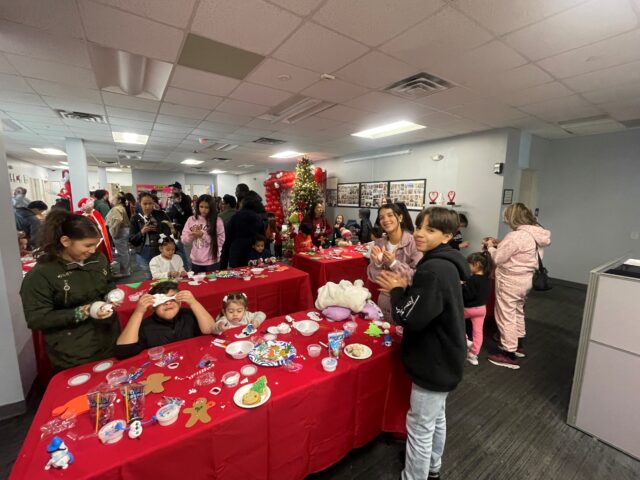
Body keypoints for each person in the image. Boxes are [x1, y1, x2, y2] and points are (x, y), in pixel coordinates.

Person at [375, 207, 469, 480]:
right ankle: (432, 467)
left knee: (419, 426)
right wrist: (403, 288)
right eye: (418, 227)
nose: (419, 233)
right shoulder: (447, 263)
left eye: (430, 229)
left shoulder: (434, 270)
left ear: (448, 235)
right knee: (435, 417)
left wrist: (396, 290)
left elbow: (408, 316)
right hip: (447, 353)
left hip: (434, 359)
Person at [19, 210, 120, 370]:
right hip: (74, 350)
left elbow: (107, 282)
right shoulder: (41, 275)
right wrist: (84, 312)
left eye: (96, 244)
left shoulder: (97, 260)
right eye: (87, 245)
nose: (93, 250)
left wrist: (112, 293)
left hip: (109, 337)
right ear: (66, 241)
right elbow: (37, 318)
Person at [483, 203, 551, 369]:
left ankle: (507, 353)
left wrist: (491, 247)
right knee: (518, 311)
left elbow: (498, 258)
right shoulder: (536, 233)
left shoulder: (516, 236)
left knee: (505, 315)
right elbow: (522, 252)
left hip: (510, 280)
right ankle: (518, 343)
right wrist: (501, 243)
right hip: (526, 279)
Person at [114, 281, 215, 359]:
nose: (168, 303)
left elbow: (210, 329)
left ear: (180, 301)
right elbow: (123, 352)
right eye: (162, 301)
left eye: (172, 298)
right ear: (152, 307)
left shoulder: (189, 315)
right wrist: (138, 312)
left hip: (194, 359)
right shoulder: (146, 326)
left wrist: (193, 302)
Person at [367, 203, 422, 321]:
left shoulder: (414, 243)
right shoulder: (379, 243)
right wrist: (377, 264)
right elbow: (372, 276)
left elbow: (416, 277)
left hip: (406, 301)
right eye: (381, 217)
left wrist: (393, 263)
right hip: (383, 301)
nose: (386, 220)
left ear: (400, 218)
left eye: (390, 215)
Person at [129, 192, 172, 279]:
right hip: (143, 253)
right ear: (139, 203)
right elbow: (132, 240)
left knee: (164, 275)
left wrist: (158, 227)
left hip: (161, 250)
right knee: (148, 276)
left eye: (150, 203)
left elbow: (170, 231)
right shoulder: (135, 218)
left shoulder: (161, 215)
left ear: (154, 203)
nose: (148, 206)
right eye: (145, 204)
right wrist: (142, 232)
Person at [462, 251, 492, 366]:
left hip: (468, 309)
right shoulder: (487, 279)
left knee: (456, 323)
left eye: (469, 264)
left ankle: (466, 342)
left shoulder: (472, 279)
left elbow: (468, 295)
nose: (467, 267)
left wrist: (462, 286)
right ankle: (473, 355)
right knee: (478, 332)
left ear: (477, 264)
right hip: (481, 309)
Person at [220, 191, 264, 268]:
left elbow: (227, 239)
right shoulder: (259, 218)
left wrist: (223, 264)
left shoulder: (235, 217)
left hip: (237, 251)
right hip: (253, 251)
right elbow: (262, 238)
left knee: (238, 275)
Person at [181, 194, 224, 273]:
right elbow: (184, 240)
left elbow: (221, 241)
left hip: (212, 262)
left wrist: (203, 235)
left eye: (206, 207)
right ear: (197, 206)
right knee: (197, 284)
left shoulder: (218, 221)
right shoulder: (191, 219)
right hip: (196, 261)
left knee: (212, 284)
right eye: (201, 207)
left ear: (211, 207)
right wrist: (192, 236)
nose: (203, 210)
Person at [77, 198, 113, 263]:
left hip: (103, 238)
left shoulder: (96, 212)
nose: (89, 208)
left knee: (105, 253)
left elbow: (102, 225)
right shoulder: (84, 217)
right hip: (93, 239)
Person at [105, 193, 132, 277]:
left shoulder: (116, 209)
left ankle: (125, 272)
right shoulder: (121, 207)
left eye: (113, 199)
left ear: (119, 200)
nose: (111, 200)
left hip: (120, 231)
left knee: (123, 252)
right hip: (124, 230)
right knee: (125, 252)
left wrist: (114, 231)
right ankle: (126, 270)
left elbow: (118, 220)